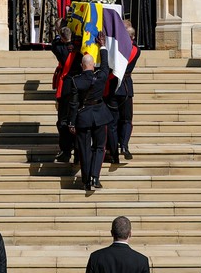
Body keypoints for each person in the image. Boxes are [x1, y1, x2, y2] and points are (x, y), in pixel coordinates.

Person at [68, 38, 114, 190]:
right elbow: (106, 65)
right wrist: (103, 47)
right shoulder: (100, 76)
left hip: (83, 117)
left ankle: (87, 180)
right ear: (93, 65)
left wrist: (72, 122)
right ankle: (95, 177)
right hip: (100, 114)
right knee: (99, 147)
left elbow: (73, 104)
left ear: (82, 66)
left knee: (85, 149)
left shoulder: (76, 81)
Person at [113, 22, 141, 160]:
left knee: (119, 119)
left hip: (117, 84)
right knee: (125, 119)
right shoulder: (134, 48)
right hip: (125, 87)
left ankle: (119, 146)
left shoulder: (119, 48)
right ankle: (123, 145)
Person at [51, 26, 79, 162]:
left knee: (63, 120)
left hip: (67, 86)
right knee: (75, 119)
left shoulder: (59, 48)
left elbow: (54, 42)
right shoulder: (79, 48)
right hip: (79, 85)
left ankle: (66, 150)